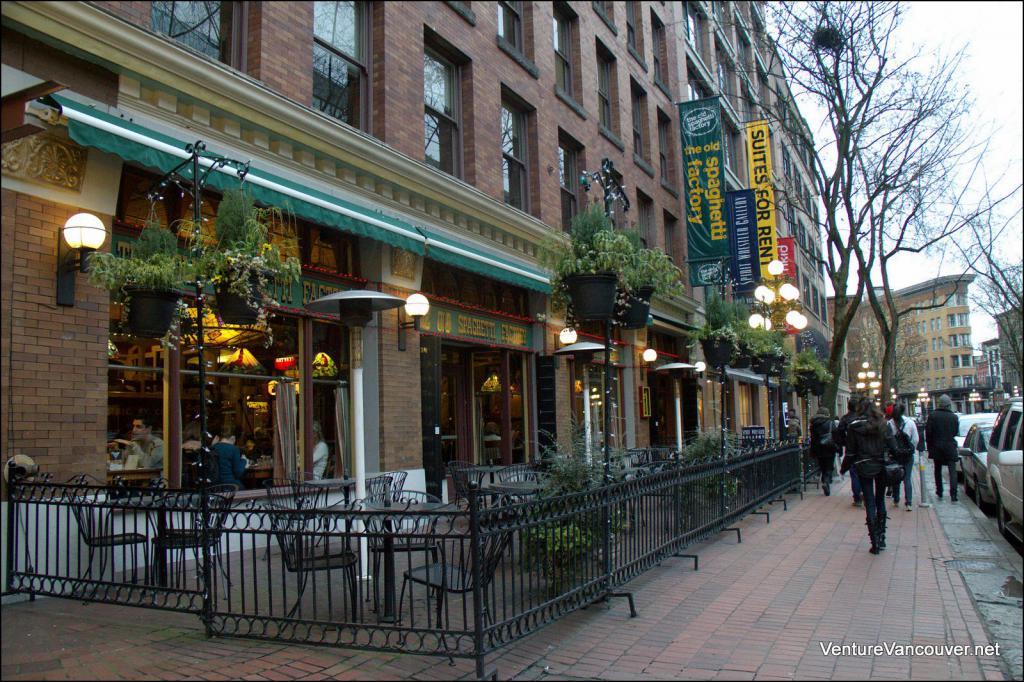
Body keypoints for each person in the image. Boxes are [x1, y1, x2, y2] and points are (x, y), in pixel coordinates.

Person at [846, 399, 897, 554]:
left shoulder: (854, 427)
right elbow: (893, 446)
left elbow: (850, 451)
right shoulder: (883, 425)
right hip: (881, 464)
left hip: (863, 464)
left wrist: (844, 467)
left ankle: (874, 541)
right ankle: (881, 537)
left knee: (869, 501)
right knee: (880, 499)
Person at [926, 394, 960, 501]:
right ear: (949, 405)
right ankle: (953, 494)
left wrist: (930, 446)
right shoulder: (954, 417)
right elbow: (955, 432)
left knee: (937, 469)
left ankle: (939, 491)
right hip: (950, 446)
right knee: (952, 471)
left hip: (937, 446)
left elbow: (928, 433)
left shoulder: (933, 416)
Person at [887, 403, 919, 510]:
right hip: (908, 455)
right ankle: (908, 502)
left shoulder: (890, 424)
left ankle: (896, 499)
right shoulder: (910, 423)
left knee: (895, 476)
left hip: (896, 454)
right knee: (907, 478)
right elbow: (915, 439)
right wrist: (910, 448)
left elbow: (888, 440)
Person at [834, 397, 864, 507]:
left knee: (854, 472)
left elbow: (839, 433)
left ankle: (857, 497)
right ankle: (863, 492)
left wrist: (842, 444)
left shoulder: (845, 419)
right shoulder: (862, 418)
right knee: (862, 472)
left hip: (851, 448)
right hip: (864, 449)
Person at [809, 407, 839, 495]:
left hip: (818, 448)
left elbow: (813, 438)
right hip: (829, 447)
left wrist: (812, 451)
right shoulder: (830, 423)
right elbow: (835, 435)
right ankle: (826, 481)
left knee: (822, 466)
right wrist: (838, 446)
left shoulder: (813, 424)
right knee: (829, 466)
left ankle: (824, 481)